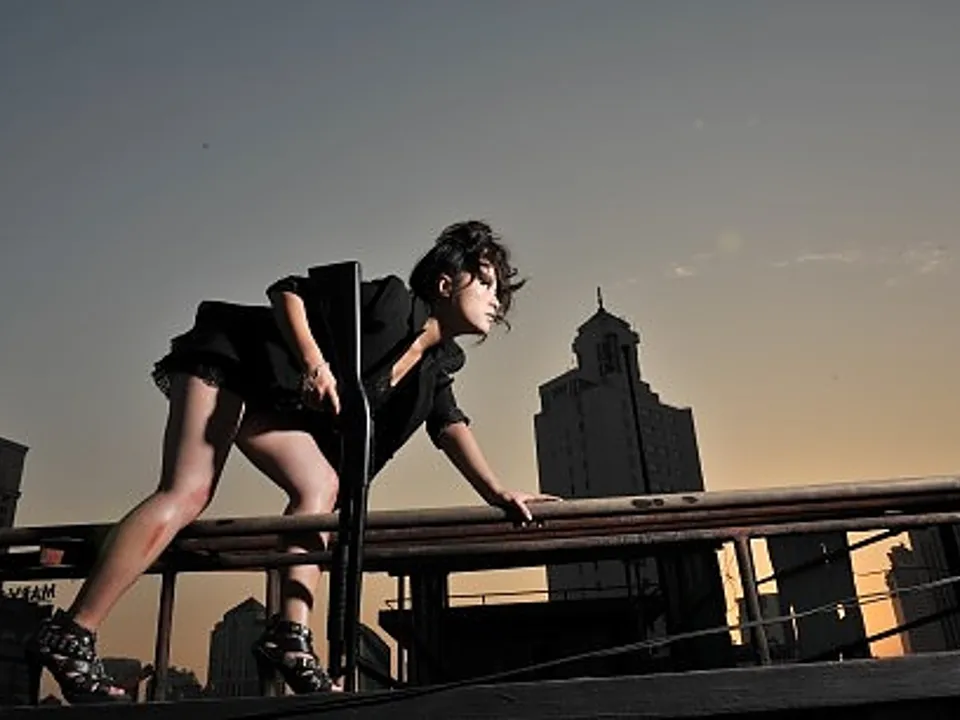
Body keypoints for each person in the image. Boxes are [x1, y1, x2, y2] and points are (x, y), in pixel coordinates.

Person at [26, 220, 559, 704]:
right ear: (445, 284)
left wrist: (498, 493)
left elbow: (450, 426)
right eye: (486, 283)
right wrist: (315, 364)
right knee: (188, 491)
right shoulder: (393, 302)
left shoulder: (435, 365)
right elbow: (287, 291)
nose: (496, 301)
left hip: (267, 395)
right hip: (234, 356)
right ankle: (71, 633)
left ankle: (290, 637)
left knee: (320, 486)